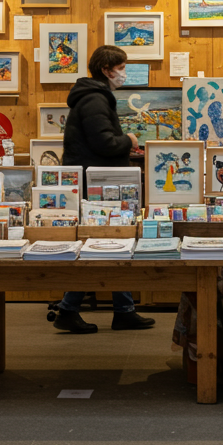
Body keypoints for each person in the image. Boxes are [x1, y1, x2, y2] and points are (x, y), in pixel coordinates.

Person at [52, 44, 154, 334]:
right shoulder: (96, 99)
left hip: (98, 180)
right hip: (99, 184)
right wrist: (129, 139)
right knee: (104, 243)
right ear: (107, 70)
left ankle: (122, 310)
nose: (124, 73)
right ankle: (71, 310)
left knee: (111, 243)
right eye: (121, 68)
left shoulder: (92, 96)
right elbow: (105, 143)